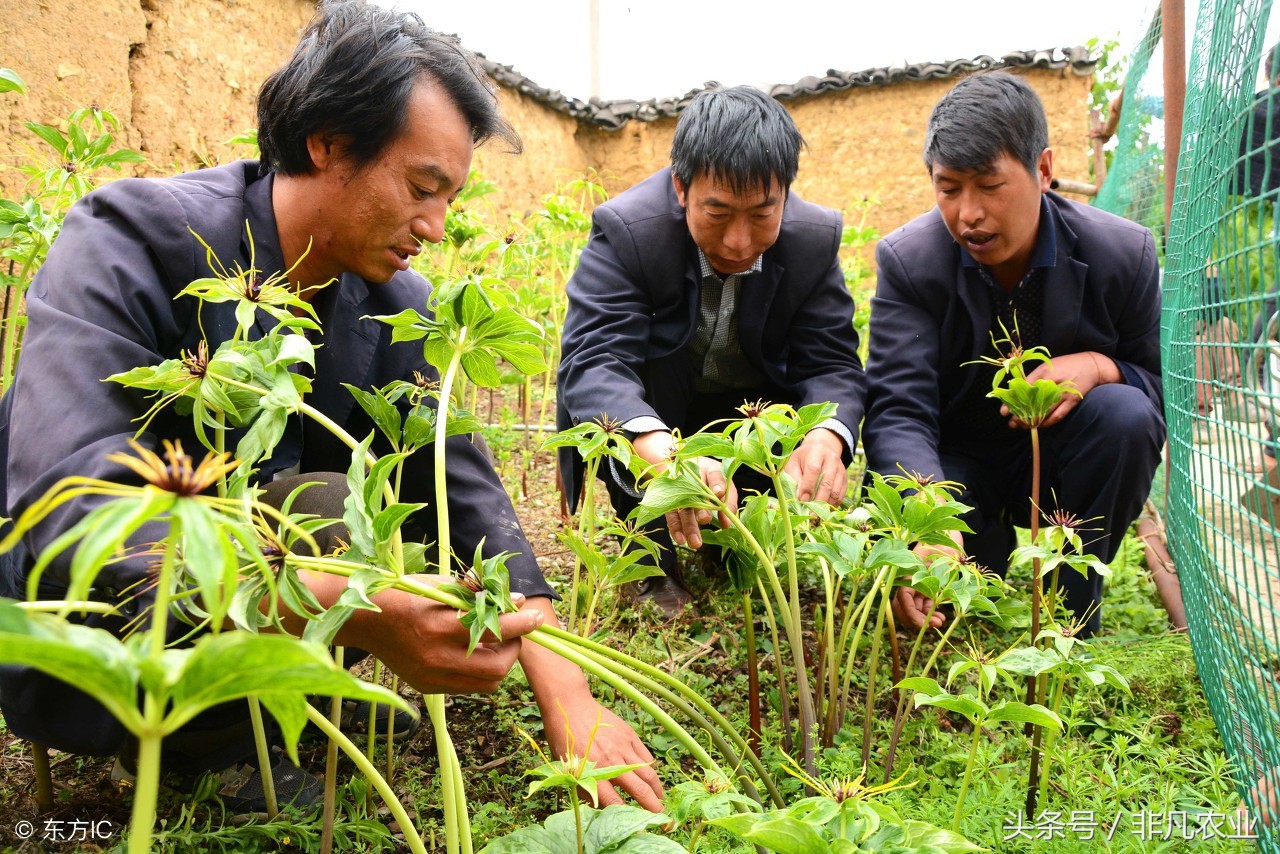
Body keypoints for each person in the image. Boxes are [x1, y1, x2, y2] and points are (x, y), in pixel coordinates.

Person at [0, 0, 662, 814]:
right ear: (329, 142)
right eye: (423, 187)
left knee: (328, 510)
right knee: (294, 525)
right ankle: (201, 755)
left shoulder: (395, 301)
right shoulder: (127, 238)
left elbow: (468, 494)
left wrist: (567, 692)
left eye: (451, 197)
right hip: (82, 627)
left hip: (254, 596)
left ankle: (270, 700)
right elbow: (66, 521)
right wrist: (358, 609)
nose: (436, 225)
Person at [863, 71, 1165, 638]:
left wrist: (1099, 368)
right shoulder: (910, 263)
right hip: (955, 467)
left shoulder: (1122, 255)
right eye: (949, 188)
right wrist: (928, 518)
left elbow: (1158, 385)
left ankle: (1074, 616)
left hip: (1056, 465)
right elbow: (898, 409)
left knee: (1125, 416)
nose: (968, 213)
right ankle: (979, 551)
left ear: (1043, 170)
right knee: (960, 619)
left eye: (988, 185)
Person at [556, 86, 865, 616]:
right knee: (631, 412)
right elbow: (596, 359)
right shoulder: (628, 231)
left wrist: (826, 433)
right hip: (660, 405)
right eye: (717, 214)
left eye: (762, 215)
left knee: (741, 533)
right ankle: (648, 556)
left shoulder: (814, 241)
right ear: (681, 188)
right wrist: (652, 444)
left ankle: (730, 539)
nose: (739, 242)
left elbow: (832, 363)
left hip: (748, 409)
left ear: (786, 194)